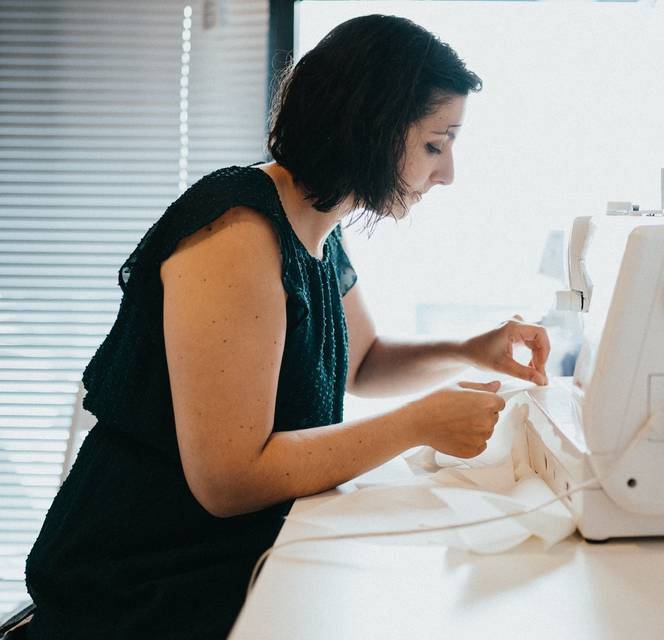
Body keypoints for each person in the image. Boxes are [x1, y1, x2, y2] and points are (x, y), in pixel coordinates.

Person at [20, 15, 549, 639]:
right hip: (141, 580)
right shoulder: (239, 232)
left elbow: (365, 361)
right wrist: (417, 423)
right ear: (371, 128)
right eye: (436, 144)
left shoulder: (321, 225)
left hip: (218, 556)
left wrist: (471, 350)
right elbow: (228, 478)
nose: (447, 173)